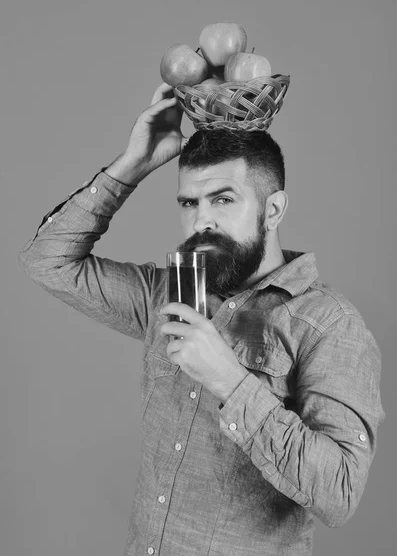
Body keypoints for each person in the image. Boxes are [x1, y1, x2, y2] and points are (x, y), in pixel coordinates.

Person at [19, 83, 385, 556]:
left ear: (273, 209)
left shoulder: (330, 325)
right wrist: (132, 165)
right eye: (189, 203)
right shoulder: (168, 293)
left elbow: (339, 494)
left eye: (223, 200)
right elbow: (47, 261)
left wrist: (230, 380)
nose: (201, 221)